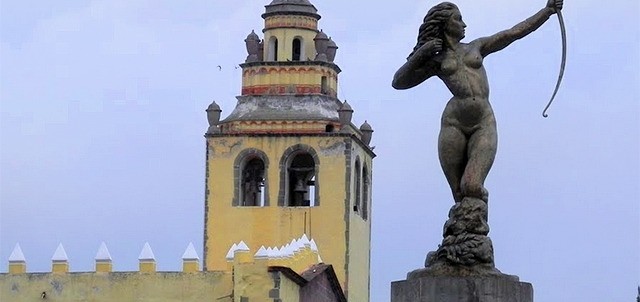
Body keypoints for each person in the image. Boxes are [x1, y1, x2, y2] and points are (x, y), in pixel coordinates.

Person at [393, 0, 563, 203]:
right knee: (458, 194)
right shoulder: (436, 60)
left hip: (482, 120)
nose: (464, 24)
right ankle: (462, 230)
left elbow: (512, 34)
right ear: (445, 24)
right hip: (454, 123)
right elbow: (399, 82)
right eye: (459, 19)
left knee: (472, 186)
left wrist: (547, 12)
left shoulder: (476, 47)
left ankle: (477, 220)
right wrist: (421, 54)